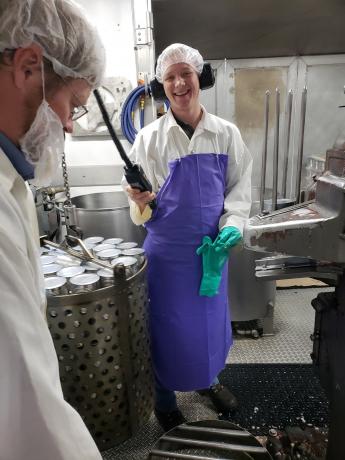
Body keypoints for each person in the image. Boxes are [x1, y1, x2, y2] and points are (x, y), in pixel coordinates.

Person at [123, 43, 253, 431]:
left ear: (200, 78)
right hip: (166, 258)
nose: (179, 83)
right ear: (163, 86)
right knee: (167, 326)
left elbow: (240, 193)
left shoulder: (225, 134)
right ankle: (164, 400)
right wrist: (141, 200)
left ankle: (206, 381)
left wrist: (230, 231)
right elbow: (137, 213)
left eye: (186, 74)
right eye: (170, 77)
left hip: (211, 254)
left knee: (209, 324)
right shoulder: (148, 140)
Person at [0, 1, 106, 458]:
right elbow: (29, 408)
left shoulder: (12, 180)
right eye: (73, 106)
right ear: (28, 67)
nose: (68, 124)